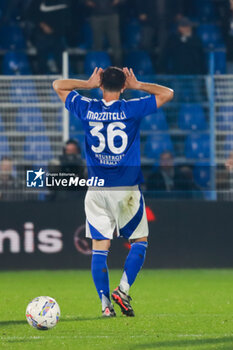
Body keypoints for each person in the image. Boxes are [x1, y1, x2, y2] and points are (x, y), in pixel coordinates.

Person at [53, 66, 174, 317]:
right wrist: (138, 85)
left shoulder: (88, 107)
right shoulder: (131, 108)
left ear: (100, 85)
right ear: (123, 87)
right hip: (126, 190)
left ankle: (105, 306)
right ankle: (123, 289)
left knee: (100, 247)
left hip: (96, 190)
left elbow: (58, 85)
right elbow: (167, 93)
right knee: (139, 242)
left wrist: (86, 84)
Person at [26, 0, 70, 74]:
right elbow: (31, 14)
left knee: (61, 63)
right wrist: (42, 25)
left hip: (58, 36)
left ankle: (63, 83)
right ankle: (41, 83)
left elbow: (67, 16)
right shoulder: (37, 2)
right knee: (42, 63)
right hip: (42, 36)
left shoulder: (64, 2)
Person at [85, 0, 124, 65]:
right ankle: (98, 68)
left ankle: (118, 68)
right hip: (96, 15)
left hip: (112, 15)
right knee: (97, 44)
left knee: (116, 44)